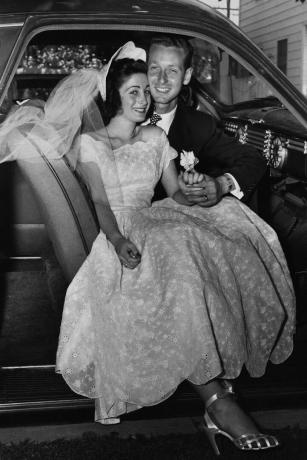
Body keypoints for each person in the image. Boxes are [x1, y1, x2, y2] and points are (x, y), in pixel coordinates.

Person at [0, 42, 294, 456]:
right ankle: (218, 400)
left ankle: (219, 377)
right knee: (179, 255)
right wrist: (119, 240)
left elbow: (174, 192)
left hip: (161, 215)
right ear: (115, 96)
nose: (145, 97)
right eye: (135, 90)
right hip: (125, 224)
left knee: (222, 236)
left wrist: (200, 190)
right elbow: (102, 204)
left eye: (148, 88)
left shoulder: (158, 136)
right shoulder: (92, 144)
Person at [146, 35, 267, 210]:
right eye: (155, 68)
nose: (161, 79)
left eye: (172, 70)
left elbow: (253, 159)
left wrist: (221, 185)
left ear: (186, 76)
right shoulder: (119, 115)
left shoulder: (200, 126)